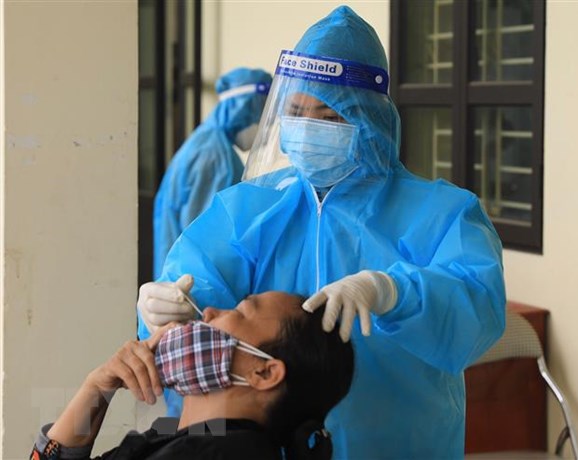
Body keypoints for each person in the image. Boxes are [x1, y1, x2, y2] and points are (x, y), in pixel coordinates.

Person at [138, 6, 506, 459]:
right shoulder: (248, 210)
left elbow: (478, 311)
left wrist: (393, 291)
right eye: (296, 112)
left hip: (399, 444)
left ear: (369, 118)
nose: (308, 128)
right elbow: (203, 298)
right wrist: (166, 312)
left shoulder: (442, 213)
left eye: (329, 117)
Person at [30, 292, 354, 460]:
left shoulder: (220, 454)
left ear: (264, 371)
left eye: (240, 312)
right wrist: (97, 388)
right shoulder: (183, 435)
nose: (209, 313)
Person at [153, 67, 272, 279]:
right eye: (263, 116)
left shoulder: (208, 142)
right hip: (195, 279)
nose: (266, 127)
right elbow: (206, 235)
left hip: (185, 273)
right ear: (244, 108)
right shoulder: (214, 156)